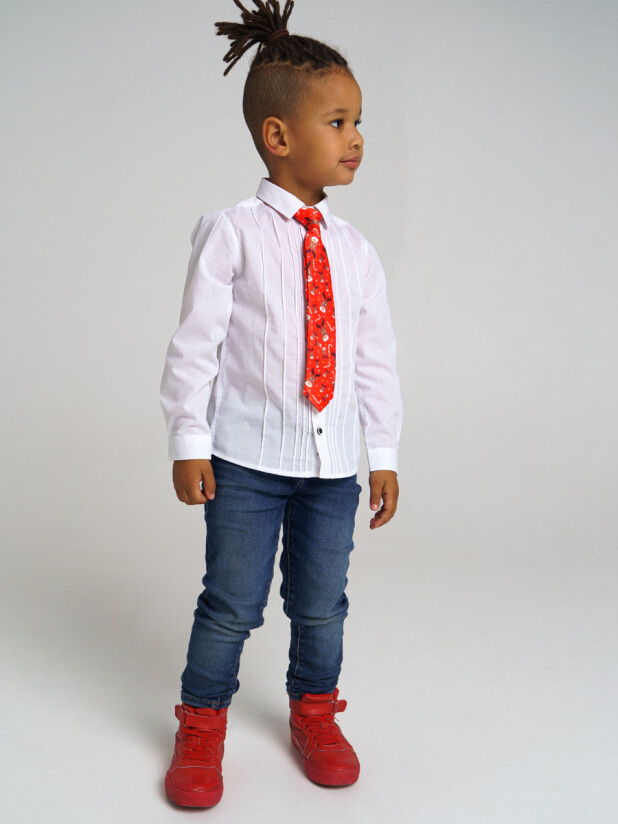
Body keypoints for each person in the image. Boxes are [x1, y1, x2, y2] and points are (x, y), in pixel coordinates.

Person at [159, 0, 403, 808]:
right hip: (245, 460)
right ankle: (201, 724)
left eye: (358, 121)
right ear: (279, 136)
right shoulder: (230, 234)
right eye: (338, 122)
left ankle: (315, 712)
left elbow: (375, 361)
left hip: (332, 468)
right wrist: (188, 439)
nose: (356, 137)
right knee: (231, 602)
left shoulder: (356, 251)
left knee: (322, 604)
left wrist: (383, 454)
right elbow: (196, 345)